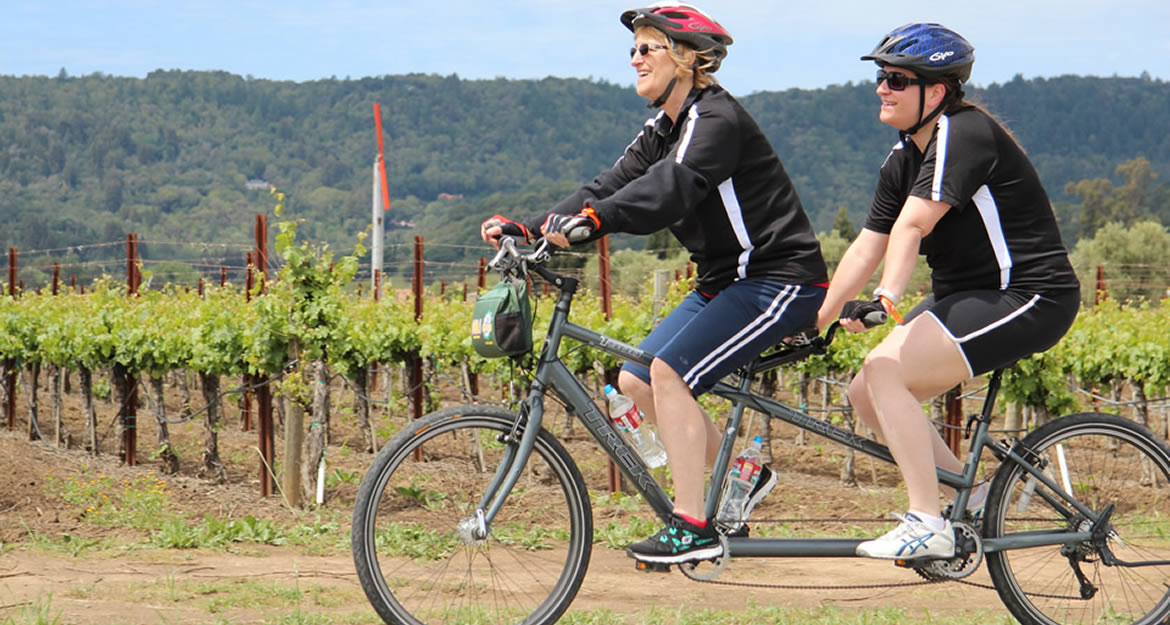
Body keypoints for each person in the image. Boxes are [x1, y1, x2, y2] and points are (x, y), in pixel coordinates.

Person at [481, 2, 828, 565]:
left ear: (687, 58)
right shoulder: (663, 129)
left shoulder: (715, 120)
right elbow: (607, 186)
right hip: (724, 282)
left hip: (778, 279)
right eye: (633, 49)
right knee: (637, 378)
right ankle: (740, 479)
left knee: (670, 373)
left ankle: (692, 524)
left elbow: (672, 187)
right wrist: (531, 227)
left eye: (648, 48)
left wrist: (595, 223)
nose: (635, 58)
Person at [816, 23, 1081, 560]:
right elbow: (867, 247)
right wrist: (813, 322)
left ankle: (927, 521)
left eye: (896, 80)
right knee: (865, 392)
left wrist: (886, 298)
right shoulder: (902, 158)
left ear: (935, 92)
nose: (881, 88)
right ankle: (976, 497)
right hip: (969, 295)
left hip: (1029, 293)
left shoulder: (964, 133)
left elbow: (912, 226)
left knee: (885, 370)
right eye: (880, 77)